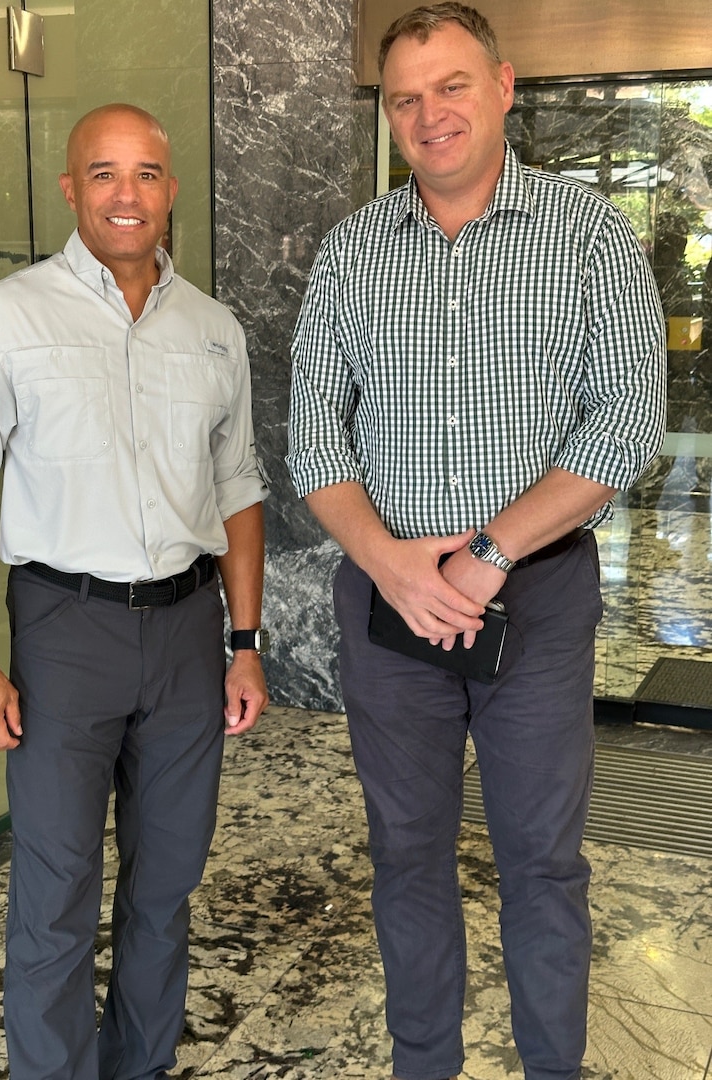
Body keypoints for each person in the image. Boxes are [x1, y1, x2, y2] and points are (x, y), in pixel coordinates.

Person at [287, 5, 665, 1080]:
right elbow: (314, 435)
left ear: (503, 87)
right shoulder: (354, 253)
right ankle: (424, 1065)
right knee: (406, 854)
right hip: (389, 602)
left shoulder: (587, 235)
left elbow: (628, 418)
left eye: (450, 87)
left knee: (541, 861)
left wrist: (488, 552)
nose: (429, 115)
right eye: (406, 98)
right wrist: (395, 563)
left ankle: (552, 1067)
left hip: (536, 601)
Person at [0, 103, 270, 1080]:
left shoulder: (213, 331)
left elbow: (238, 489)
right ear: (72, 188)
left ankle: (140, 1068)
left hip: (190, 633)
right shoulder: (4, 318)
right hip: (63, 628)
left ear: (170, 188)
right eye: (105, 174)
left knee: (165, 889)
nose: (128, 194)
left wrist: (246, 642)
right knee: (57, 887)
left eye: (148, 173)